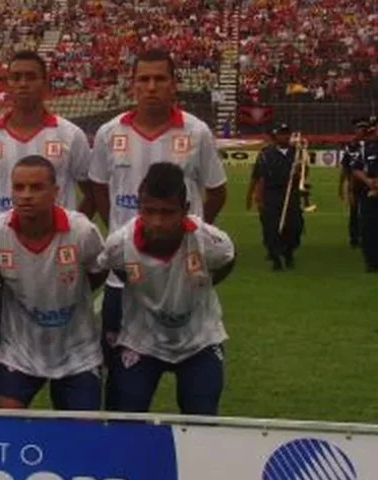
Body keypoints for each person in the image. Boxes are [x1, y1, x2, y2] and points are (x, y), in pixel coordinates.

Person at [89, 48, 227, 375]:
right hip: (124, 276)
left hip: (183, 273)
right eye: (144, 79)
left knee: (195, 369)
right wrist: (125, 235)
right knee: (119, 377)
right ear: (132, 85)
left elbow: (217, 191)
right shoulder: (110, 133)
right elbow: (97, 187)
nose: (151, 87)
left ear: (173, 84)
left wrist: (188, 233)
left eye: (159, 79)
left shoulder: (196, 132)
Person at [98, 162, 236, 415]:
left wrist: (199, 285)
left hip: (199, 340)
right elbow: (120, 273)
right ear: (139, 208)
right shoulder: (119, 246)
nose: (157, 222)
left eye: (167, 212)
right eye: (149, 211)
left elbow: (227, 261)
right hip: (141, 341)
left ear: (185, 210)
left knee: (201, 420)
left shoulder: (211, 242)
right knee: (124, 420)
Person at [0, 155, 107, 409]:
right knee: (8, 428)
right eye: (19, 187)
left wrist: (66, 293)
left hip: (78, 353)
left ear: (55, 192)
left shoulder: (82, 233)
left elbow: (98, 271)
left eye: (36, 187)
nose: (26, 195)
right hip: (19, 352)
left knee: (80, 435)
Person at [0, 51, 93, 229]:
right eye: (16, 77)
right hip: (4, 245)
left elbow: (92, 193)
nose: (23, 84)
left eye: (31, 77)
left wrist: (72, 230)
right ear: (8, 83)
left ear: (44, 83)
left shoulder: (71, 134)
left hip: (56, 243)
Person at [247, 124, 303, 271]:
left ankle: (288, 251)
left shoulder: (296, 152)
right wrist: (256, 196)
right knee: (272, 227)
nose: (285, 136)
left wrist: (299, 171)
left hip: (291, 193)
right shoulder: (266, 153)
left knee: (295, 226)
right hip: (272, 194)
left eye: (287, 133)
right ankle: (276, 258)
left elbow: (304, 172)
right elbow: (259, 176)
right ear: (275, 135)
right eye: (282, 133)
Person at [350, 118, 378, 272]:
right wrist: (368, 181)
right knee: (368, 229)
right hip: (370, 194)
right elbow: (356, 168)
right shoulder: (366, 149)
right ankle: (371, 261)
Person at [340, 117, 370, 248]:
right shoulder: (350, 146)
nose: (362, 131)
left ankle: (367, 236)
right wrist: (342, 186)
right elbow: (345, 167)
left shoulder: (371, 144)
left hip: (370, 184)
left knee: (368, 212)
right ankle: (354, 237)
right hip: (355, 184)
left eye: (364, 128)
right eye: (359, 128)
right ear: (355, 130)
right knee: (354, 211)